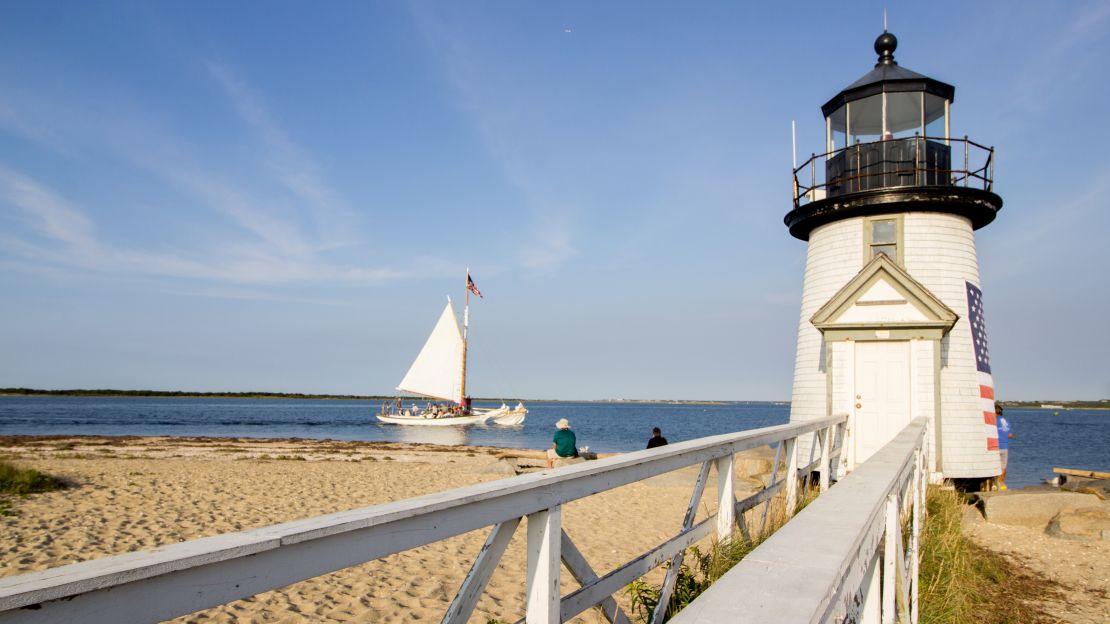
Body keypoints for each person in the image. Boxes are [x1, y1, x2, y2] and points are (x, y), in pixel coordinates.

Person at [996, 402, 1013, 490]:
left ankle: (995, 484)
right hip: (1005, 447)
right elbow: (1010, 435)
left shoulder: (992, 421)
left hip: (995, 447)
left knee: (994, 466)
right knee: (1003, 466)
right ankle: (1002, 483)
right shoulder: (1006, 421)